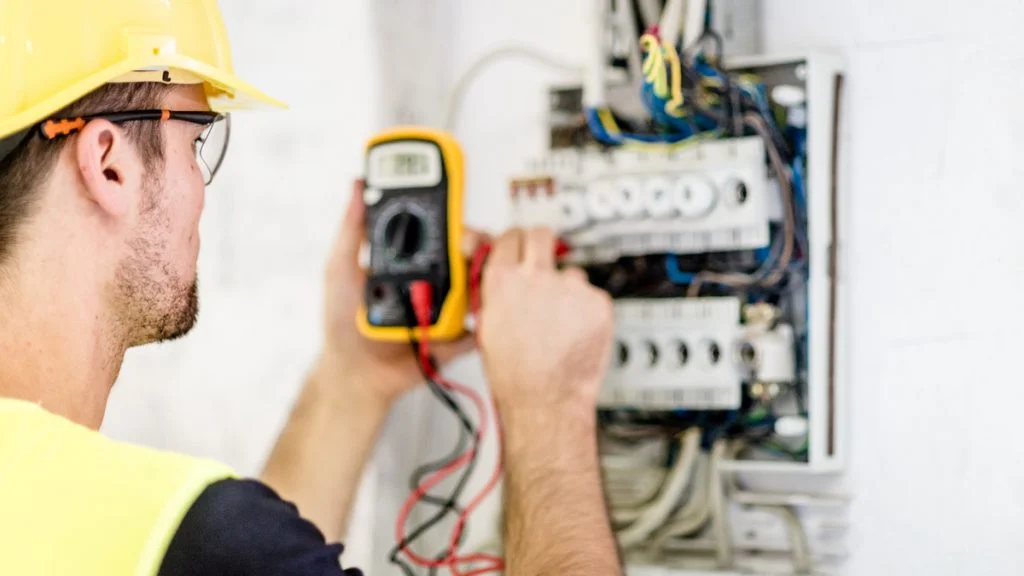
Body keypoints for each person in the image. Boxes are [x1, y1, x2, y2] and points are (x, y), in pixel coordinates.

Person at [0, 1, 621, 575]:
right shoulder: (170, 534)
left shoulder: (124, 528)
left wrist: (353, 379)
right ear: (109, 164)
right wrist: (551, 404)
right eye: (196, 139)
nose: (199, 185)